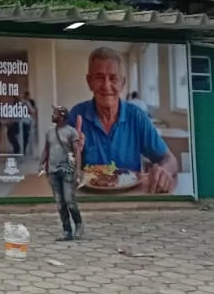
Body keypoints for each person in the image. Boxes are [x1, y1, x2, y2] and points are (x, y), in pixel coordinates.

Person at [62, 46, 179, 195]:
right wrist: (74, 153)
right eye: (99, 77)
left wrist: (164, 170)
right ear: (89, 81)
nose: (106, 86)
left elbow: (169, 159)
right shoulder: (77, 115)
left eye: (113, 78)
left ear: (122, 83)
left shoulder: (137, 117)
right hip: (90, 199)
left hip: (131, 198)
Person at [37, 106, 85, 240]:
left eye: (55, 113)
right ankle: (67, 231)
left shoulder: (72, 132)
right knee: (60, 203)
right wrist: (41, 163)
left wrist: (78, 170)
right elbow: (46, 149)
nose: (53, 115)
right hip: (53, 171)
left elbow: (77, 153)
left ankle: (79, 224)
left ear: (62, 116)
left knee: (69, 200)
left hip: (67, 171)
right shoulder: (49, 132)